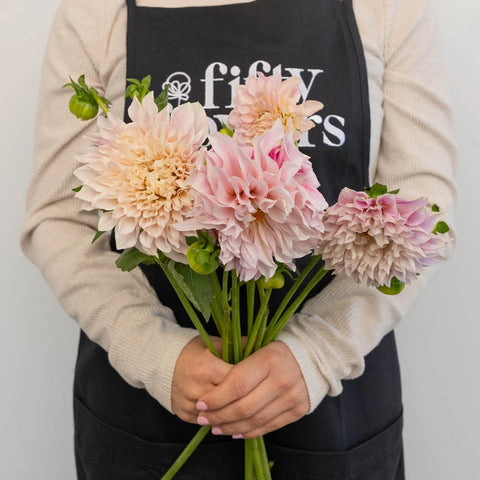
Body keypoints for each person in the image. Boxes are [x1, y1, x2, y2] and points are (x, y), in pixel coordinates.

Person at [21, 0, 457, 478]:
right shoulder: (95, 11)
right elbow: (60, 217)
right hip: (144, 417)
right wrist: (157, 352)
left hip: (332, 417)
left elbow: (425, 214)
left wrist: (318, 353)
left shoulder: (390, 9)